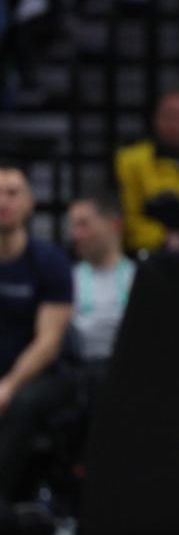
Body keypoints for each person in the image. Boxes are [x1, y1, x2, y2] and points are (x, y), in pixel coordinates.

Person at [0, 162, 74, 506]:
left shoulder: (49, 262)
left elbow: (48, 343)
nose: (3, 201)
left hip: (37, 375)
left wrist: (8, 386)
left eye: (13, 193)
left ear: (30, 204)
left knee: (23, 403)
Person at [115, 89, 179, 254]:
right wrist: (163, 238)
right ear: (156, 120)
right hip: (149, 258)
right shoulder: (131, 161)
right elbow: (128, 223)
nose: (178, 124)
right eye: (171, 116)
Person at [67, 191, 137, 376]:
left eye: (83, 225)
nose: (75, 235)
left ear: (113, 225)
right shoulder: (66, 279)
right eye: (73, 226)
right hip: (81, 376)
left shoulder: (139, 278)